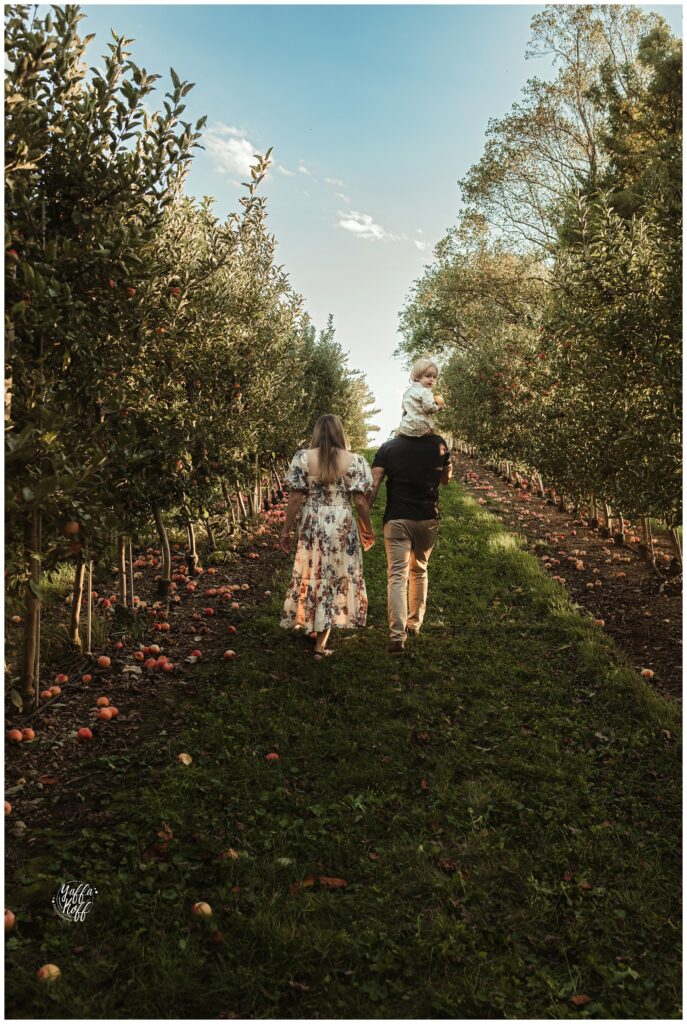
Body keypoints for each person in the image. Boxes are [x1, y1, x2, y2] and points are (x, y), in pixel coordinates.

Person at [279, 414, 376, 659]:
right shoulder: (355, 461)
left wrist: (285, 529)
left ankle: (312, 622)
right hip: (341, 521)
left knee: (313, 571)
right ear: (340, 433)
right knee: (336, 574)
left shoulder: (303, 458)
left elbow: (296, 498)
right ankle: (320, 643)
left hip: (312, 520)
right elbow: (360, 501)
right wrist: (367, 529)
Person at [368, 426, 452, 654]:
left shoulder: (388, 447)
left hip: (397, 519)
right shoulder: (439, 444)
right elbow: (446, 479)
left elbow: (374, 483)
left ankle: (397, 636)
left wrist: (364, 513)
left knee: (397, 575)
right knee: (420, 569)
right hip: (427, 518)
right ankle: (414, 624)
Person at [395, 358, 446, 437]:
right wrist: (439, 407)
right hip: (422, 429)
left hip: (406, 428)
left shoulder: (407, 392)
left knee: (397, 435)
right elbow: (429, 408)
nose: (432, 379)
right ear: (417, 377)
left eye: (434, 377)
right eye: (428, 376)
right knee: (437, 437)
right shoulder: (425, 391)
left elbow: (404, 409)